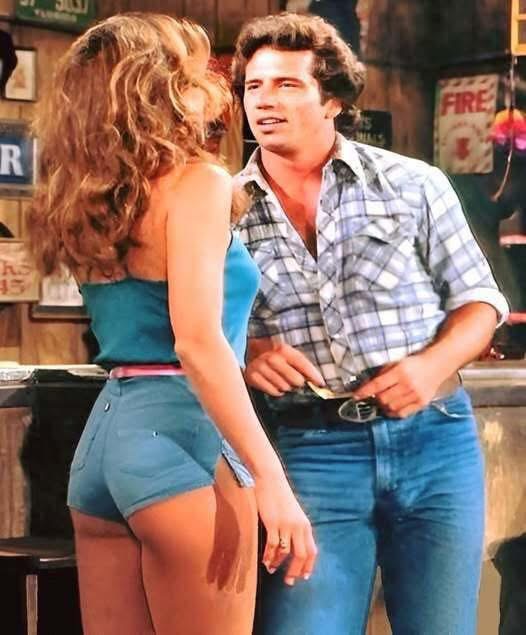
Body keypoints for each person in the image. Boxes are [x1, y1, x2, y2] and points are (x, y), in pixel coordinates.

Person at [26, 13, 317, 635]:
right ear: (159, 87)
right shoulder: (195, 183)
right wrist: (272, 480)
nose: (211, 85)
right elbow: (200, 344)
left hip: (104, 445)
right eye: (194, 71)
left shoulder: (85, 196)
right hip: (185, 436)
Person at [232, 12, 510, 635]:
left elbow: (480, 303)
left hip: (434, 441)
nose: (265, 101)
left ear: (332, 99)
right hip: (308, 447)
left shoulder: (412, 184)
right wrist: (247, 350)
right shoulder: (223, 208)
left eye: (287, 84)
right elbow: (196, 326)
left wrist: (431, 367)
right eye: (254, 86)